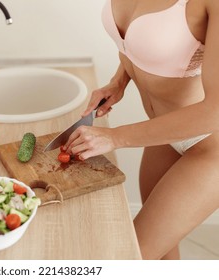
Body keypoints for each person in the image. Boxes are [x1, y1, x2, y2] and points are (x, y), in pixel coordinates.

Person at [64, 0, 219, 260]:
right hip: (164, 134)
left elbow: (215, 112)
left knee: (130, 257)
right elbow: (133, 43)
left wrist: (115, 137)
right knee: (161, 254)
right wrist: (118, 82)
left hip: (209, 148)